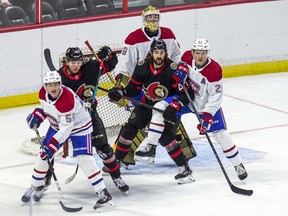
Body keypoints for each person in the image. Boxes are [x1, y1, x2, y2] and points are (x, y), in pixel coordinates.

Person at [21, 71, 113, 209]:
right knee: (43, 155)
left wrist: (52, 145)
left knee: (84, 159)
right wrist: (38, 116)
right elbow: (47, 108)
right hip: (58, 124)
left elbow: (66, 129)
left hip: (80, 126)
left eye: (56, 85)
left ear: (60, 84)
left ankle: (103, 193)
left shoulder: (67, 100)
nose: (53, 88)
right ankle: (36, 186)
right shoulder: (42, 93)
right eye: (50, 85)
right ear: (45, 86)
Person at [108, 39, 195, 184]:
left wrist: (176, 106)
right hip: (147, 103)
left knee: (166, 136)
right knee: (129, 129)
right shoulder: (142, 66)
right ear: (151, 53)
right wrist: (120, 91)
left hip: (167, 107)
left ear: (166, 53)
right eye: (156, 52)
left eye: (161, 52)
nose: (159, 55)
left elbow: (188, 94)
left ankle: (184, 168)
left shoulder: (172, 69)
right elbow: (133, 88)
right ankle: (117, 161)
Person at [116, 5, 194, 164]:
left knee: (168, 123)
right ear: (143, 19)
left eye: (155, 17)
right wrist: (124, 91)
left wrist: (181, 71)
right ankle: (125, 157)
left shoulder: (168, 34)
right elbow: (128, 66)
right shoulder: (134, 38)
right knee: (136, 123)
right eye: (149, 17)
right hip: (142, 86)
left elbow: (177, 57)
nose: (152, 20)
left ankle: (183, 156)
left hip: (166, 85)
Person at [170, 38, 248, 180]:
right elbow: (181, 66)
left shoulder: (214, 70)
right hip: (187, 99)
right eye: (198, 52)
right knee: (165, 111)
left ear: (208, 53)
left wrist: (207, 116)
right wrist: (181, 70)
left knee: (220, 135)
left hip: (206, 105)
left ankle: (238, 165)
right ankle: (161, 151)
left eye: (203, 53)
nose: (200, 56)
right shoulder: (187, 56)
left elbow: (215, 97)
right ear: (193, 52)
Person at [56, 46, 129, 193]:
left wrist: (108, 55)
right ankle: (42, 182)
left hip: (90, 117)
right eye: (72, 62)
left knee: (105, 151)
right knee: (49, 149)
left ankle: (117, 177)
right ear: (67, 62)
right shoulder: (59, 78)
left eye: (78, 62)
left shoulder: (91, 67)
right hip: (69, 121)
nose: (76, 65)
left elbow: (111, 63)